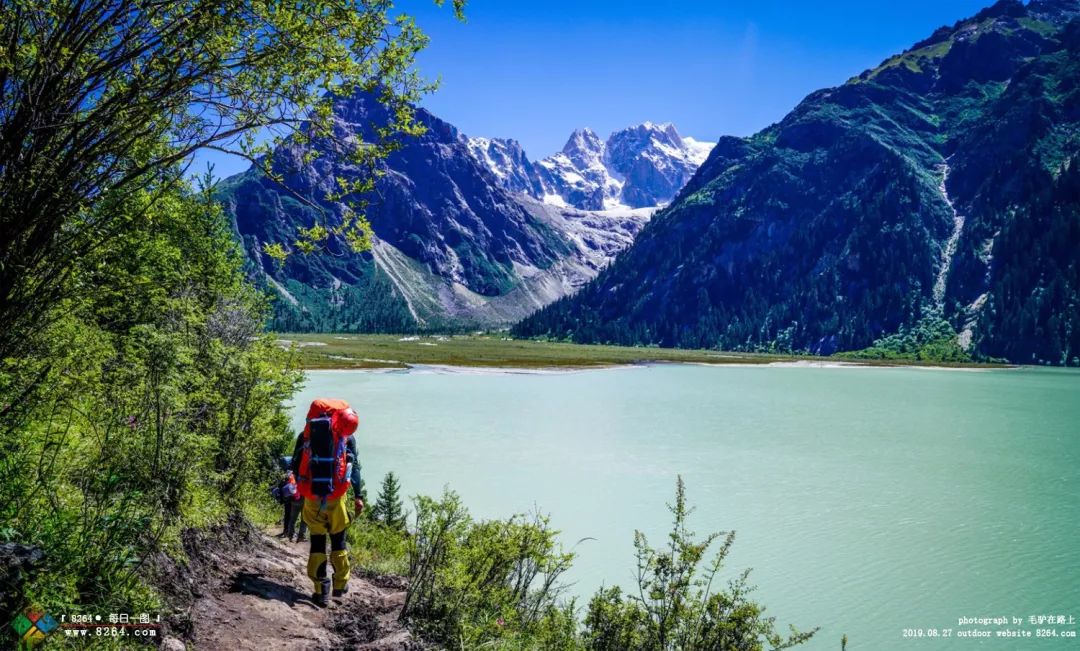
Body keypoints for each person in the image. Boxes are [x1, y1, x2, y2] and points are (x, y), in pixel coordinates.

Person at [290, 399, 364, 607]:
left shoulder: (306, 437)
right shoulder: (347, 439)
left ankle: (320, 589)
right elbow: (354, 469)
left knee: (318, 542)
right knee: (339, 540)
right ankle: (340, 585)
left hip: (313, 498)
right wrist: (358, 496)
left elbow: (296, 464)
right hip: (336, 499)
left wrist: (301, 488)